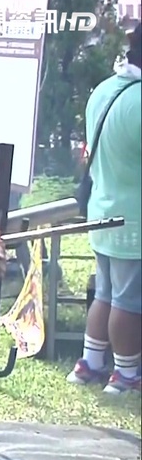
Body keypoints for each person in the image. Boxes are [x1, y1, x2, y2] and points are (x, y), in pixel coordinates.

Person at [66, 24, 142, 394]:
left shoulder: (104, 91)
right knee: (128, 300)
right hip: (135, 220)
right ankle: (126, 375)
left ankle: (90, 364)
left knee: (106, 294)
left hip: (102, 211)